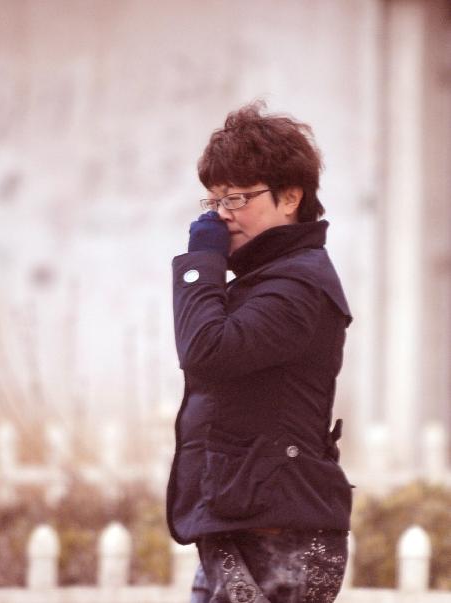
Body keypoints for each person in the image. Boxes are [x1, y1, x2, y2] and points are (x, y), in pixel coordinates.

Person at [167, 102, 353, 603]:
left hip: (277, 532)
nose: (221, 216)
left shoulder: (298, 284)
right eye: (213, 202)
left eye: (237, 199)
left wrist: (199, 263)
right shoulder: (268, 279)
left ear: (291, 196)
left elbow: (206, 350)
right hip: (245, 519)